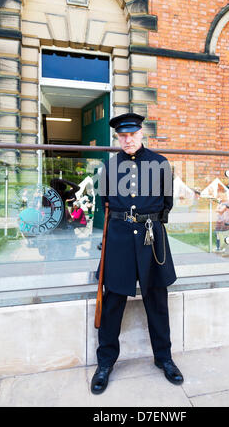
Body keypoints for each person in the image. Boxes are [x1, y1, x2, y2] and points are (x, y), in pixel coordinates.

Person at [91, 112, 184, 395]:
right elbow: (103, 206)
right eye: (122, 135)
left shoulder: (160, 164)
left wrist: (149, 223)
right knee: (114, 300)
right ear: (118, 137)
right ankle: (105, 363)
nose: (127, 139)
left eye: (132, 134)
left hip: (150, 237)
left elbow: (166, 205)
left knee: (156, 299)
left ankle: (164, 358)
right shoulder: (109, 167)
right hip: (119, 239)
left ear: (142, 133)